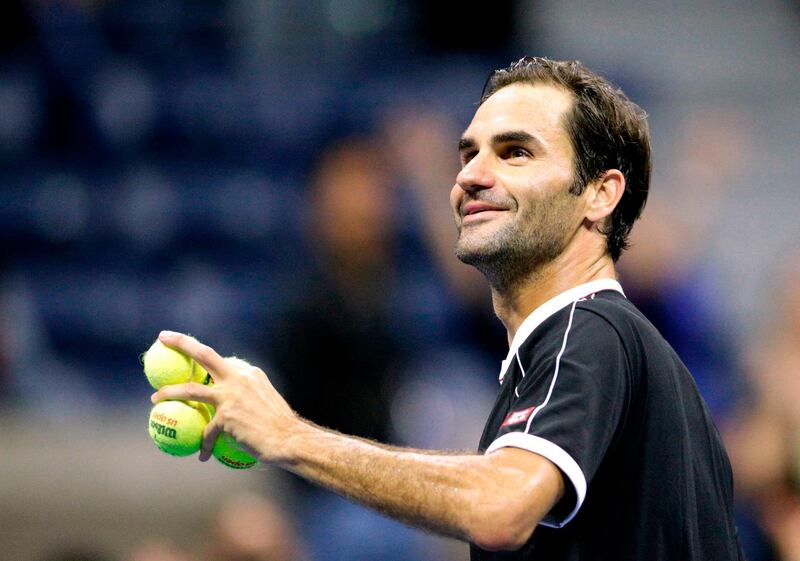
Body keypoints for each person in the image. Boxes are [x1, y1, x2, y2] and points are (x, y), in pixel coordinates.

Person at [152, 57, 745, 560]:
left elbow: (497, 507)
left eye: (515, 153)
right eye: (468, 153)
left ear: (600, 194)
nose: (471, 175)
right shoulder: (581, 353)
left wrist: (290, 436)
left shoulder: (586, 331)